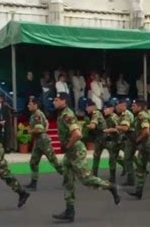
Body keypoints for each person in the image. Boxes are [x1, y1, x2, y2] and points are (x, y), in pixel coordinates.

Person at [51, 93, 120, 222]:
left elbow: (77, 134)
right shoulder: (61, 114)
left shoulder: (67, 115)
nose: (54, 102)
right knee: (68, 180)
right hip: (70, 152)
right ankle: (69, 211)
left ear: (64, 101)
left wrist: (67, 145)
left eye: (56, 100)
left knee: (86, 179)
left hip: (76, 151)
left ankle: (111, 186)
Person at [24, 98, 63, 191]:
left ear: (35, 105)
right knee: (33, 162)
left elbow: (39, 129)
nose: (28, 106)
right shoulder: (35, 114)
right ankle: (33, 183)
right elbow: (47, 123)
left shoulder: (37, 115)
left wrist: (30, 131)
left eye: (30, 104)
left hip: (43, 141)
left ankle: (69, 177)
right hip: (38, 142)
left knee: (54, 162)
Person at [115, 99, 136, 186]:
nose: (116, 106)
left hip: (131, 139)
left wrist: (116, 127)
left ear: (123, 105)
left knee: (128, 159)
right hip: (128, 138)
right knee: (128, 158)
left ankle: (131, 180)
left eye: (117, 105)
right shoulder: (124, 114)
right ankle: (131, 179)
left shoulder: (126, 114)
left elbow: (125, 128)